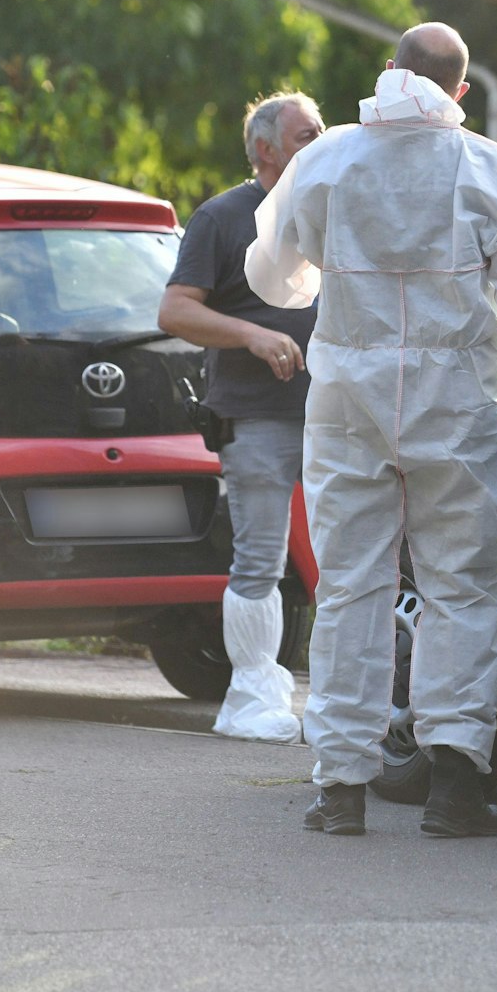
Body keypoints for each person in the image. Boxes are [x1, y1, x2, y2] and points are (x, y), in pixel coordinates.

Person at [246, 23, 497, 837]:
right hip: (456, 398)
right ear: (459, 93)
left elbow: (272, 278)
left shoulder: (323, 161)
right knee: (460, 589)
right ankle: (455, 786)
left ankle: (339, 790)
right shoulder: (487, 168)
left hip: (348, 401)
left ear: (386, 72)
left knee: (351, 587)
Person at [158, 90, 324, 742]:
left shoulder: (331, 216)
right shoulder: (223, 218)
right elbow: (174, 312)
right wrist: (252, 335)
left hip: (336, 416)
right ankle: (249, 701)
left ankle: (340, 700)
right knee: (260, 558)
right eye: (306, 136)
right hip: (258, 419)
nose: (321, 143)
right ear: (265, 150)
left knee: (349, 560)